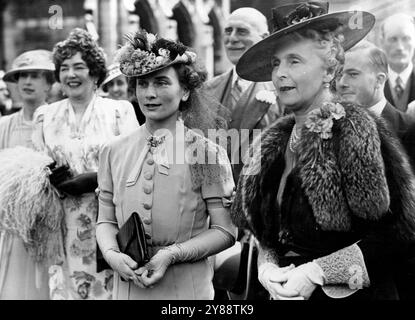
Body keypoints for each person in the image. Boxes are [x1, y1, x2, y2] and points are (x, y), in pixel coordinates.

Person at [232, 1, 415, 300]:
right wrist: (268, 270)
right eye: (277, 63)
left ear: (329, 70)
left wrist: (316, 272)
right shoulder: (272, 142)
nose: (279, 74)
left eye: (294, 61)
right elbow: (265, 234)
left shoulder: (358, 129)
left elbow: (400, 232)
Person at [96, 30, 236, 300]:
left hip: (186, 290)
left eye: (161, 83)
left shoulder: (207, 153)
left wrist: (172, 254)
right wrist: (112, 254)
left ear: (184, 91)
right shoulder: (112, 150)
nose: (150, 93)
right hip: (128, 287)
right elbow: (105, 220)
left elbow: (224, 231)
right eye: (142, 84)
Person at [31, 28, 139, 300]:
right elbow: (35, 166)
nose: (70, 74)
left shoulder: (118, 111)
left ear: (94, 73)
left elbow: (137, 165)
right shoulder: (45, 116)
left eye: (79, 67)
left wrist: (95, 178)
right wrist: (47, 176)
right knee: (66, 289)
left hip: (109, 219)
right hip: (62, 222)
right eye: (64, 68)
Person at [205, 7, 283, 183]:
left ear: (264, 38)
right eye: (228, 31)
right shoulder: (207, 89)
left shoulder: (282, 87)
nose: (232, 38)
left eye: (242, 31)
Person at [0, 49, 55, 299]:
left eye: (35, 76)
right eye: (22, 76)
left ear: (49, 83)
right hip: (13, 224)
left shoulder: (58, 121)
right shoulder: (5, 125)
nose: (27, 82)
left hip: (51, 222)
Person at [337, 41, 412, 138]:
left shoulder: (409, 128)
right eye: (339, 75)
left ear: (379, 80)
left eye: (353, 74)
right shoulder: (328, 125)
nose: (342, 83)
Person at [381, 13, 415, 113]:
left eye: (406, 39)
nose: (400, 47)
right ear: (382, 42)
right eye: (393, 39)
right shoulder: (371, 83)